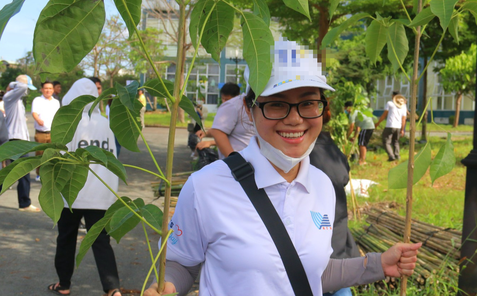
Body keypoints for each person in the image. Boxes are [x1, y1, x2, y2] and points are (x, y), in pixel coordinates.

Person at [143, 40, 421, 296]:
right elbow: (181, 264)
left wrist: (377, 264)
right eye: (276, 104)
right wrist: (165, 286)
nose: (295, 119)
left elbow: (313, 272)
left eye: (309, 103)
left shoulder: (323, 186)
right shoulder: (206, 186)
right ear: (250, 109)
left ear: (322, 108)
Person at [47, 78, 122, 296]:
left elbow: (61, 159)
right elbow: (112, 159)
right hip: (101, 193)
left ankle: (64, 284)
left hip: (72, 193)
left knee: (66, 238)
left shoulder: (70, 123)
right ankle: (112, 288)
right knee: (101, 241)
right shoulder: (107, 123)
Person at [311, 102, 361, 296]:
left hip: (323, 251)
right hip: (336, 244)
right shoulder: (332, 148)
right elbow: (344, 176)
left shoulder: (306, 155)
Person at [3, 75, 39, 212]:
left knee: (18, 173)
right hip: (15, 140)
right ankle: (24, 203)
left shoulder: (17, 100)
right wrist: (14, 83)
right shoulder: (10, 97)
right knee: (15, 173)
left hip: (20, 140)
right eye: (27, 88)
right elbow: (22, 86)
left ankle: (24, 203)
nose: (27, 91)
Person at [196, 82, 255, 158]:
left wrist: (210, 140)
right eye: (223, 99)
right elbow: (218, 132)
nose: (224, 101)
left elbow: (225, 132)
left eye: (226, 99)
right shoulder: (231, 105)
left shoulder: (239, 105)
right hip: (240, 161)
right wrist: (235, 161)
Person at [31, 81, 61, 180]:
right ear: (42, 89)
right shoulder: (38, 100)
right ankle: (39, 173)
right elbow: (34, 112)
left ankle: (50, 174)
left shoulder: (56, 102)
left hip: (52, 132)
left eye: (50, 88)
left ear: (53, 90)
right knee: (40, 154)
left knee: (52, 154)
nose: (48, 90)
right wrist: (38, 120)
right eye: (46, 88)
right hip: (41, 132)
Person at [375, 92, 407, 161]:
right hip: (398, 126)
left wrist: (378, 123)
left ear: (393, 96)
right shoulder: (403, 106)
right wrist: (402, 129)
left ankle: (391, 156)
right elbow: (404, 119)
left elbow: (384, 115)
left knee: (386, 141)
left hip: (390, 125)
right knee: (396, 141)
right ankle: (397, 155)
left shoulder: (390, 103)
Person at [345, 101, 376, 166]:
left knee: (362, 144)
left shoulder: (352, 114)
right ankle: (362, 160)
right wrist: (354, 136)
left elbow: (351, 127)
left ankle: (362, 161)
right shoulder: (357, 111)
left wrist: (346, 137)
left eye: (345, 108)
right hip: (370, 126)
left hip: (366, 127)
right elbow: (357, 126)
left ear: (347, 107)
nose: (345, 110)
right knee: (363, 143)